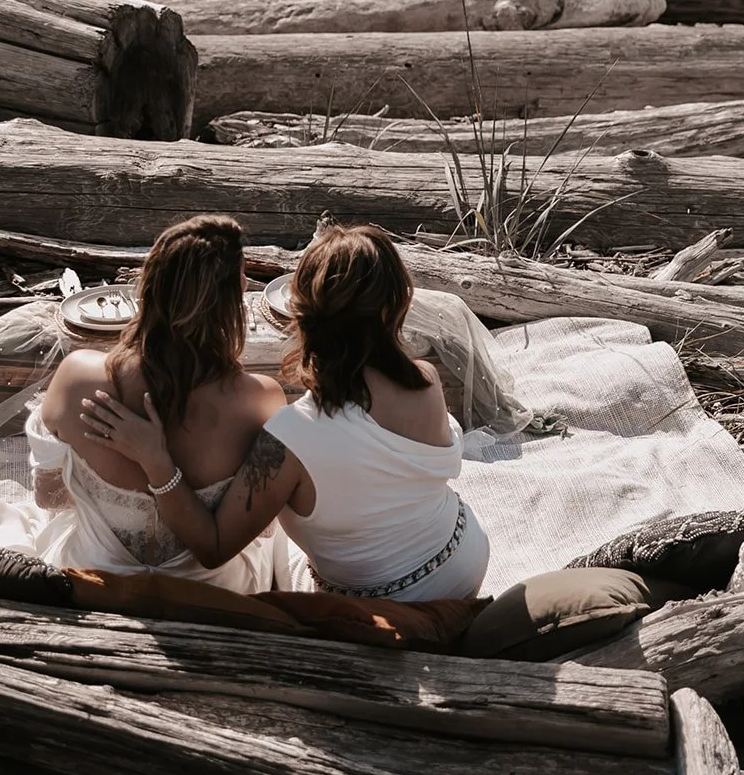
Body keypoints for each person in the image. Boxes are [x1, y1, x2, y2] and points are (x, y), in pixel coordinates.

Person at [81, 224, 490, 601]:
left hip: (371, 604)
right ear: (397, 302)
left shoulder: (288, 437)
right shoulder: (425, 380)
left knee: (273, 545)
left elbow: (214, 547)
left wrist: (157, 462)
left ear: (301, 313)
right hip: (462, 564)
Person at [0, 214, 288, 593]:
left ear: (148, 288)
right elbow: (258, 526)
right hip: (214, 589)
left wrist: (118, 500)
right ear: (231, 300)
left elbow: (48, 497)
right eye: (243, 279)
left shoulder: (78, 377)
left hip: (94, 573)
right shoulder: (260, 399)